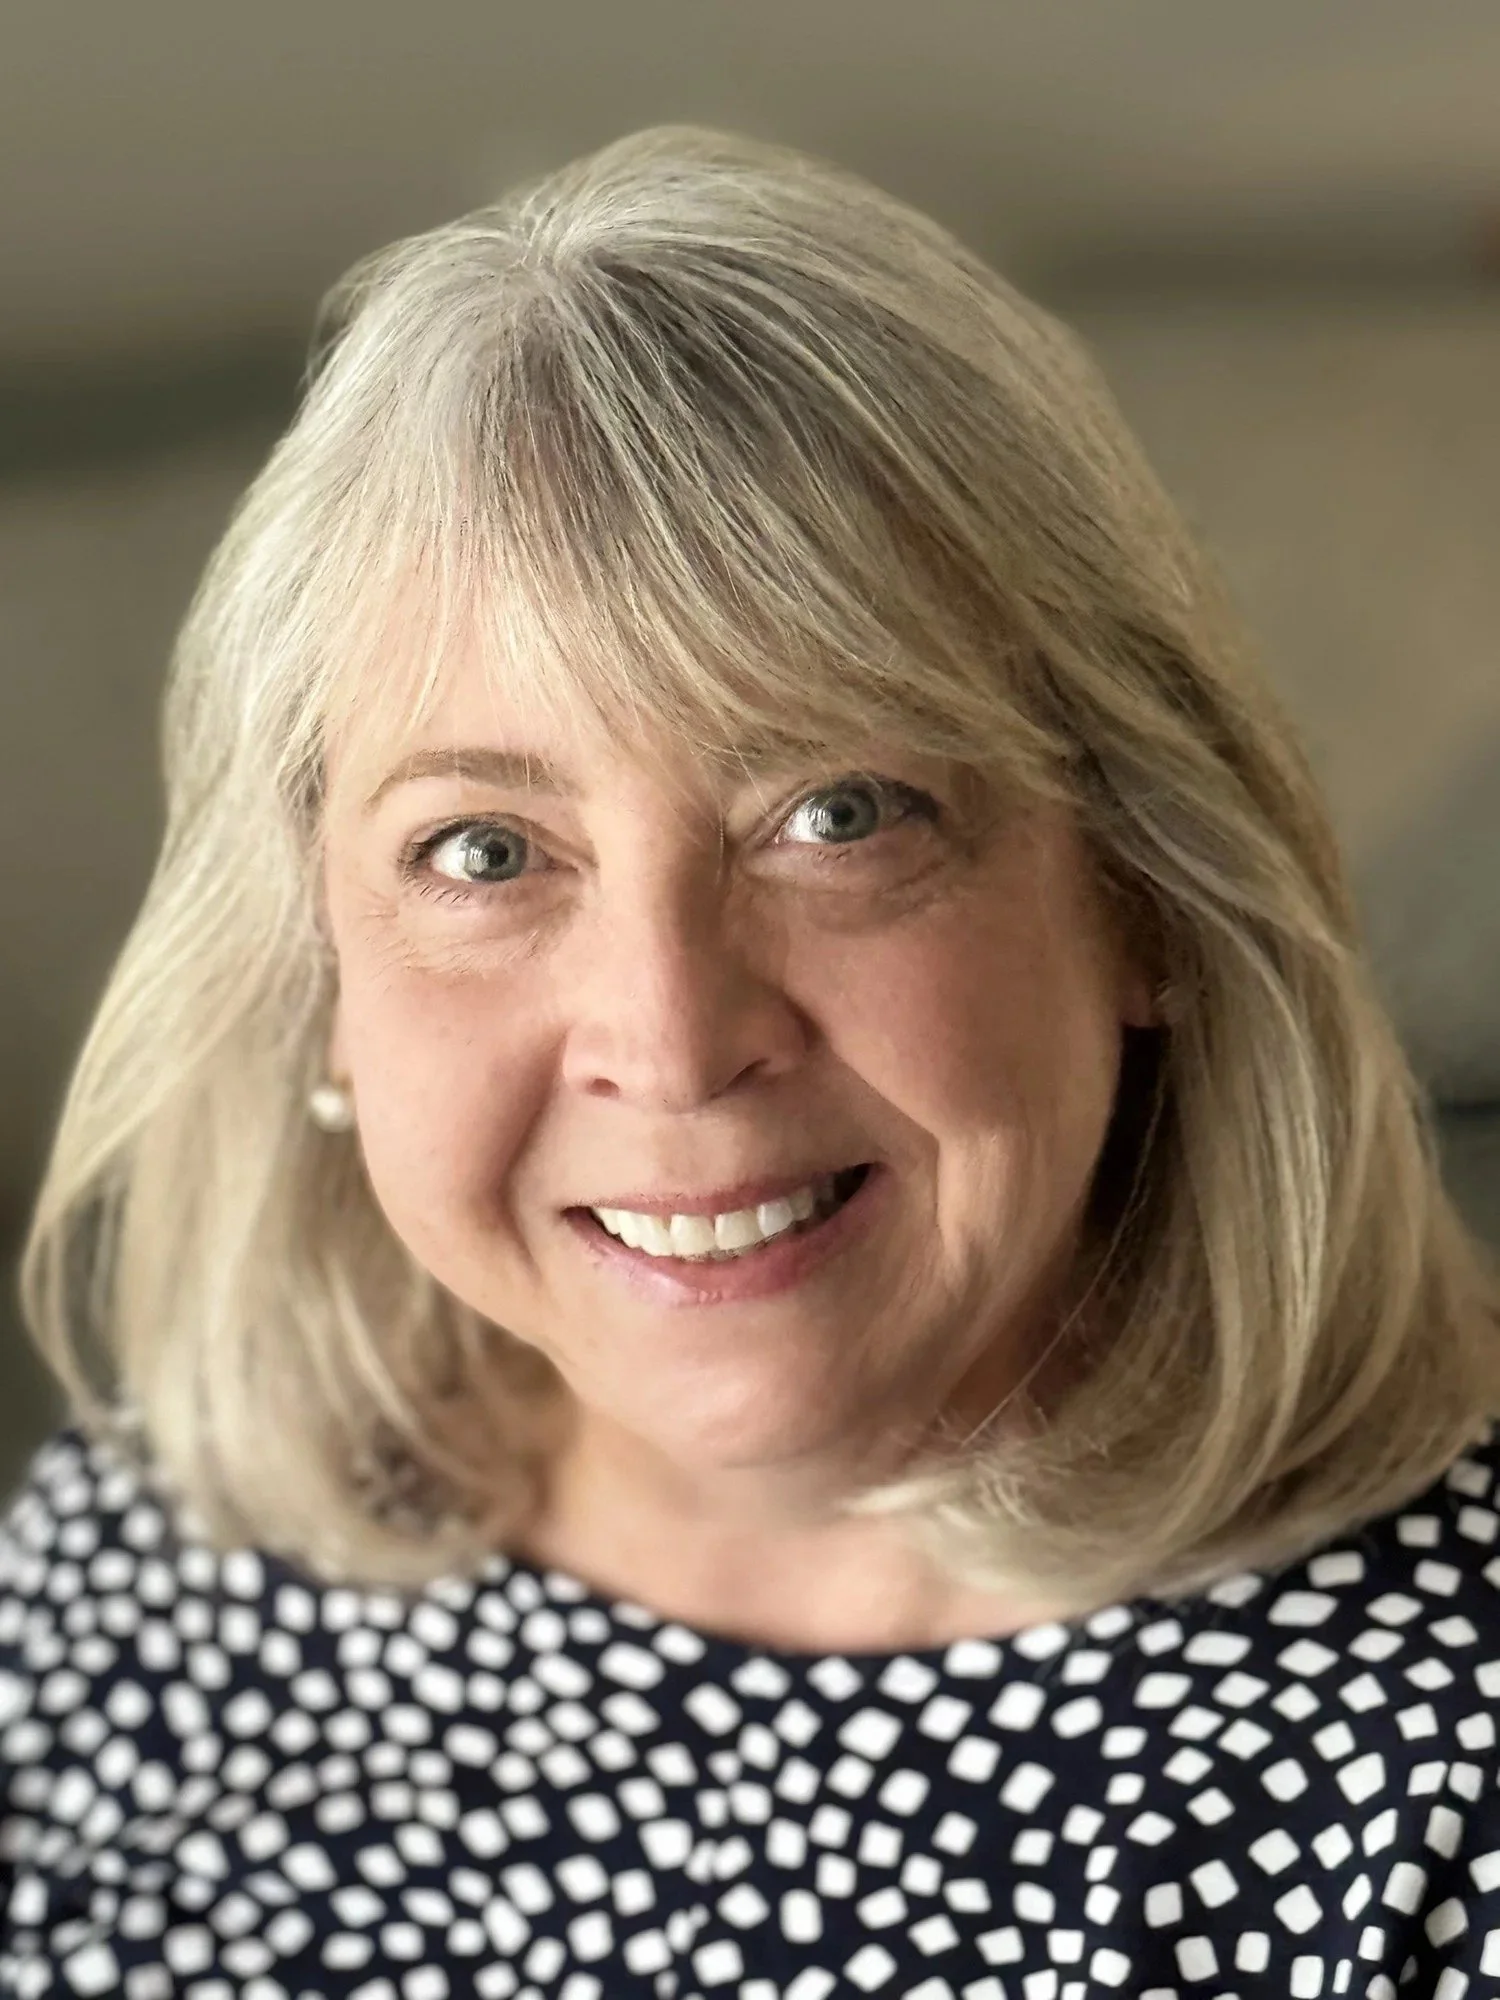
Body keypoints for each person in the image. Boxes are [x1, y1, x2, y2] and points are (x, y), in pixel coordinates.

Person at [3, 123, 1498, 2000]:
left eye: (838, 814)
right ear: (317, 977)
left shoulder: (1448, 1759)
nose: (671, 1040)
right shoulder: (152, 1559)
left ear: (1142, 900)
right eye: (485, 851)